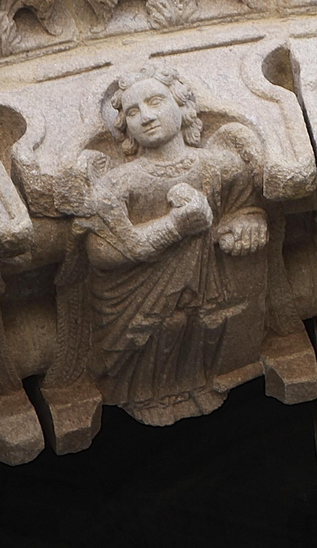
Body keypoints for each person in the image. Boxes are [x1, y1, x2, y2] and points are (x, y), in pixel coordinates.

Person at [68, 66, 268, 424]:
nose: (146, 117)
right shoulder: (119, 182)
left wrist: (248, 225)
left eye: (156, 102)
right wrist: (174, 226)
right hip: (137, 300)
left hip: (208, 289)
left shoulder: (219, 166)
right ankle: (147, 390)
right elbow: (100, 251)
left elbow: (246, 207)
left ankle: (197, 382)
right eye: (132, 112)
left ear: (183, 106)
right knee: (160, 331)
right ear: (124, 128)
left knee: (202, 325)